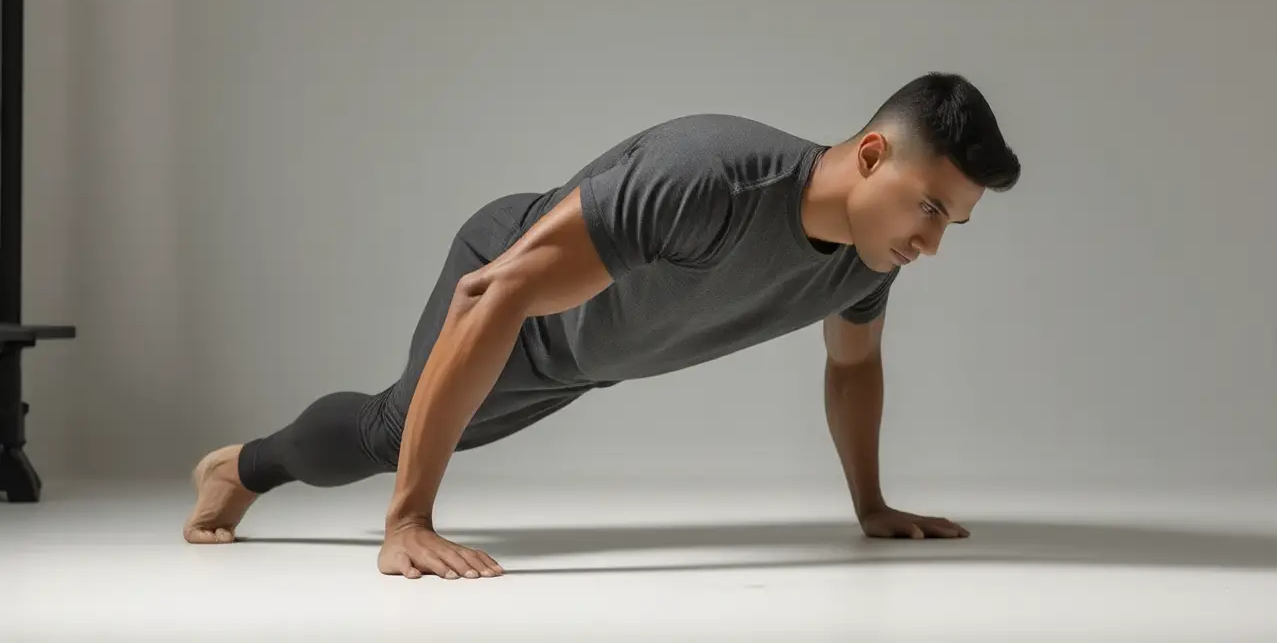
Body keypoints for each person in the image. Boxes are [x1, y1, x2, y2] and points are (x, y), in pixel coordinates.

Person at [183, 71, 1021, 580]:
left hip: (588, 356)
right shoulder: (711, 178)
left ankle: (286, 470)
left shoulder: (867, 259)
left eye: (953, 222)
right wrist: (410, 522)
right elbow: (490, 295)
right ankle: (240, 468)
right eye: (929, 208)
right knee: (390, 431)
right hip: (514, 293)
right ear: (872, 155)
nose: (933, 243)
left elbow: (852, 368)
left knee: (405, 434)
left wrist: (870, 506)